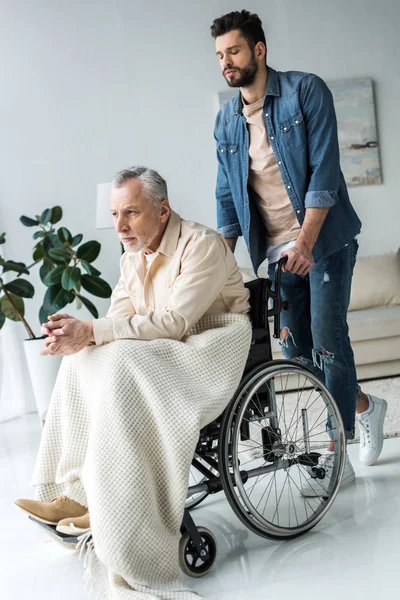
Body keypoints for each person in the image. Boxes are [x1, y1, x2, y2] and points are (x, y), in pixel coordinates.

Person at [15, 166, 252, 599]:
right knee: (84, 358)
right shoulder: (131, 257)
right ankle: (76, 494)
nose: (119, 226)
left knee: (119, 361)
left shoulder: (202, 245)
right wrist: (76, 337)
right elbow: (117, 322)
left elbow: (178, 321)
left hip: (212, 340)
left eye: (131, 213)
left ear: (162, 210)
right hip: (158, 345)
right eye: (114, 214)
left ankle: (117, 516)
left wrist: (97, 332)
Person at [210, 10, 387, 496]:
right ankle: (365, 407)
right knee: (294, 351)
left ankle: (337, 453)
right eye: (221, 55)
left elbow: (325, 173)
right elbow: (228, 196)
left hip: (325, 240)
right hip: (277, 253)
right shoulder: (226, 120)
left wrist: (306, 242)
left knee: (329, 338)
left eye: (236, 51)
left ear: (259, 50)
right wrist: (219, 268)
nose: (227, 62)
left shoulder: (306, 91)